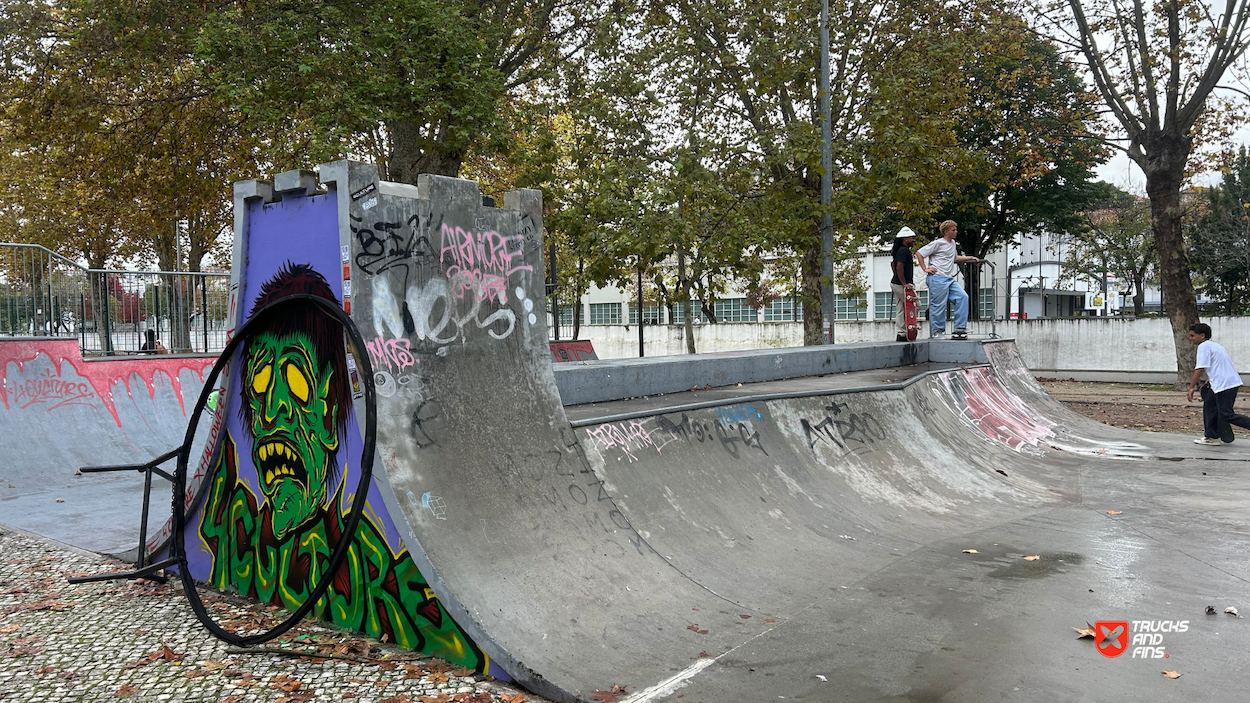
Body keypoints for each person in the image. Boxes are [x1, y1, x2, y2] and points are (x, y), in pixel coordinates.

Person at [1186, 322, 1250, 445]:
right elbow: (1219, 366)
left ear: (1202, 336)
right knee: (1209, 405)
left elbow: (1199, 369)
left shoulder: (1204, 347)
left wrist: (1191, 387)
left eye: (1192, 336)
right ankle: (1211, 437)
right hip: (1222, 383)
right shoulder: (1216, 346)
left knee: (1226, 414)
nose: (1190, 338)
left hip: (1225, 385)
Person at [915, 220, 979, 339]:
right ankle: (937, 331)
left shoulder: (953, 243)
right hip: (937, 278)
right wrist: (925, 268)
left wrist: (970, 257)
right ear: (946, 232)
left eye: (956, 230)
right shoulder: (938, 243)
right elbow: (919, 253)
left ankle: (959, 328)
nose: (956, 232)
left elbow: (955, 258)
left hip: (948, 279)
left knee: (962, 297)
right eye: (953, 230)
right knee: (939, 305)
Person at [890, 227, 918, 342]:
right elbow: (899, 267)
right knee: (916, 304)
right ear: (905, 239)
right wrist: (904, 283)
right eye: (912, 238)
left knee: (901, 308)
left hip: (896, 283)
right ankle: (906, 330)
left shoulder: (898, 251)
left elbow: (893, 265)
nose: (913, 240)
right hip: (901, 285)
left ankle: (901, 334)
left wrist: (897, 277)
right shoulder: (904, 251)